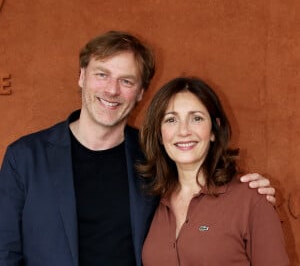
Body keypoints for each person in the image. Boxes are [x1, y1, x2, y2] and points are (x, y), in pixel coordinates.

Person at [0, 31, 276, 266]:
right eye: (102, 74)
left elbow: (203, 185)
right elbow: (5, 254)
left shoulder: (155, 157)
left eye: (126, 81)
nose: (112, 90)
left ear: (142, 92)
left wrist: (253, 196)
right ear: (82, 76)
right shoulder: (25, 158)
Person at [139, 76, 289, 266]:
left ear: (213, 129)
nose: (183, 131)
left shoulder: (252, 200)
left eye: (196, 118)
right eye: (171, 120)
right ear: (160, 134)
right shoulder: (150, 202)